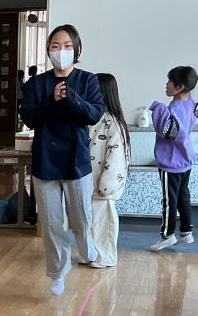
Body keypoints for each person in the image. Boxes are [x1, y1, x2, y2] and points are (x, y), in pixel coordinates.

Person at [18, 24, 104, 296]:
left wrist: (72, 98)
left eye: (67, 46)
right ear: (48, 51)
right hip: (45, 160)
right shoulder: (36, 83)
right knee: (52, 222)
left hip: (76, 160)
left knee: (80, 218)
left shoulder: (88, 80)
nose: (61, 51)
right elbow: (29, 117)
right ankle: (57, 271)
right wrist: (52, 101)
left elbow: (93, 114)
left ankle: (87, 248)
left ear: (77, 49)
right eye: (55, 46)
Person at [148, 66, 198, 251]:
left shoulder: (174, 109)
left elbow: (169, 132)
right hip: (185, 160)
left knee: (169, 200)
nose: (166, 84)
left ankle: (167, 235)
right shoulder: (189, 102)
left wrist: (157, 107)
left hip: (171, 162)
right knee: (183, 195)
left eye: (170, 81)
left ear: (180, 86)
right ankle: (186, 231)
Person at [88, 73, 131, 268]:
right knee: (92, 223)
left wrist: (107, 185)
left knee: (103, 224)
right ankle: (92, 254)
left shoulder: (111, 123)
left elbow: (116, 159)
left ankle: (105, 257)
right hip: (90, 184)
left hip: (102, 186)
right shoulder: (97, 118)